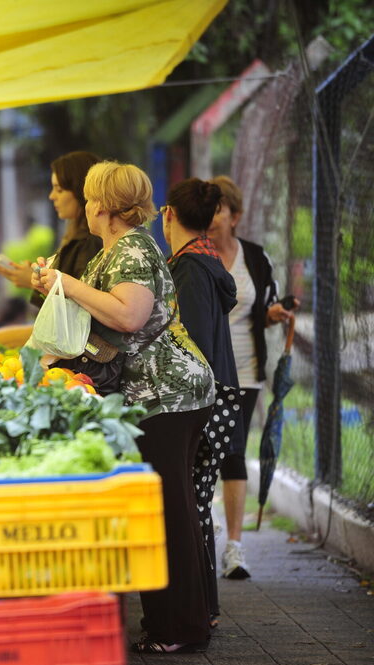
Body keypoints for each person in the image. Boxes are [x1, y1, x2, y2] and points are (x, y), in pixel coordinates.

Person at [31, 161, 215, 654]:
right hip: (157, 396)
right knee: (168, 507)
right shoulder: (116, 250)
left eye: (92, 198)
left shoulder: (132, 249)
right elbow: (103, 320)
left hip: (166, 396)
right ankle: (178, 623)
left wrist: (65, 283)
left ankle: (179, 629)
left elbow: (130, 316)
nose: (87, 206)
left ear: (105, 206)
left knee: (168, 511)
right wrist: (53, 288)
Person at [208, 175, 296, 580]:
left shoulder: (256, 258)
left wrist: (274, 314)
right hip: (204, 374)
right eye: (208, 209)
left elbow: (266, 306)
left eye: (219, 209)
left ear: (235, 216)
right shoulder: (195, 257)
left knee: (233, 453)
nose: (212, 217)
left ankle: (235, 548)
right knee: (204, 453)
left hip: (245, 373)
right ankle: (205, 531)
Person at [162, 178, 241, 629]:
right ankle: (205, 608)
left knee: (191, 506)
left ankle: (199, 610)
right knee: (196, 503)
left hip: (203, 400)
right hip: (219, 396)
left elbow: (191, 348)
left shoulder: (190, 269)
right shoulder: (205, 261)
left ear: (169, 214)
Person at [0, 151, 103, 306]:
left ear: (82, 191)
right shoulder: (75, 238)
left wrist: (34, 282)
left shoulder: (89, 243)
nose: (52, 196)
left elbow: (80, 309)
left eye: (59, 190)